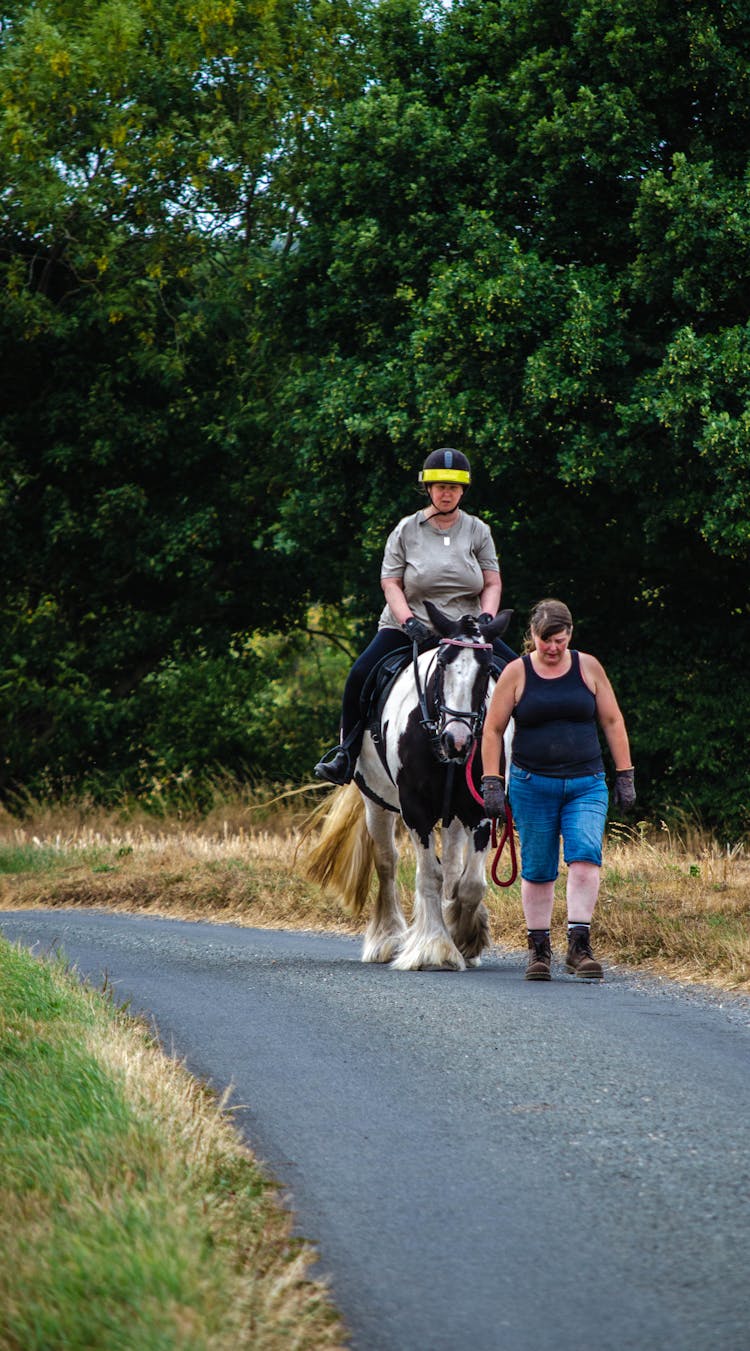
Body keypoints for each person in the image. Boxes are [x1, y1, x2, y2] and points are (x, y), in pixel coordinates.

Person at [314, 447, 517, 785]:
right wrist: (408, 620)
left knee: (519, 675)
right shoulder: (406, 530)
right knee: (359, 674)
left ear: (463, 490)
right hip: (411, 626)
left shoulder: (478, 530)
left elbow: (492, 582)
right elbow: (390, 582)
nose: (446, 493)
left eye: (453, 487)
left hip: (463, 630)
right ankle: (345, 754)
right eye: (439, 486)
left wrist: (485, 618)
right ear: (427, 488)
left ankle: (529, 761)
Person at [480, 598, 636, 981]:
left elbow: (613, 721)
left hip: (587, 784)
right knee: (538, 868)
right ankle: (538, 950)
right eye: (545, 641)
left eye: (560, 641)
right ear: (532, 636)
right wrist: (492, 782)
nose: (552, 648)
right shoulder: (516, 673)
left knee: (585, 857)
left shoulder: (588, 667)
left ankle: (579, 947)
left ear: (570, 636)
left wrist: (625, 774)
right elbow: (493, 730)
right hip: (533, 785)